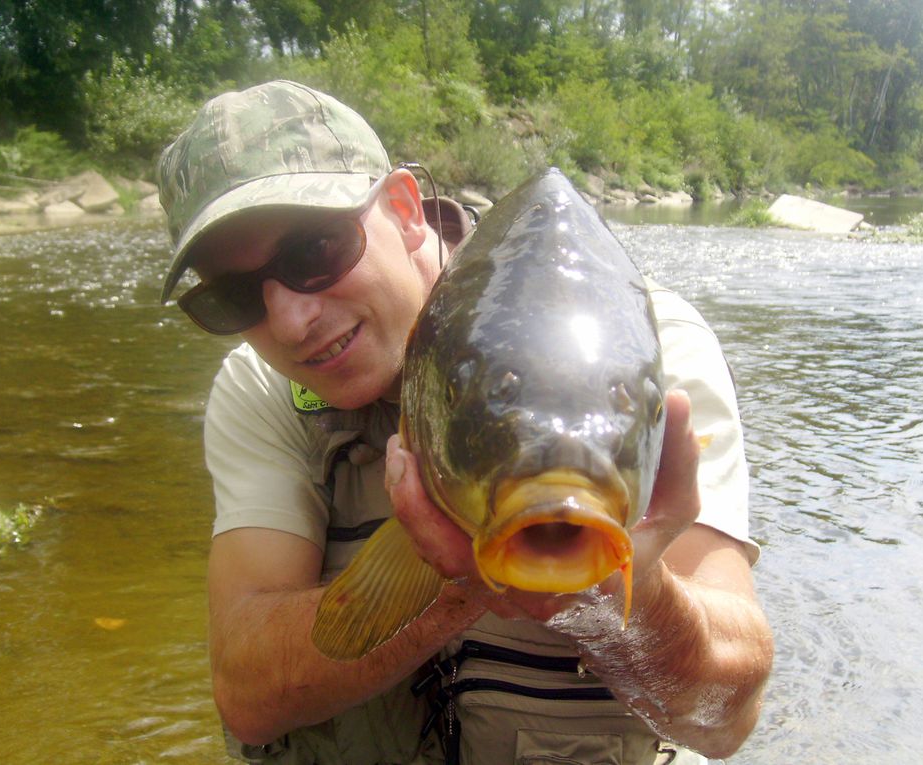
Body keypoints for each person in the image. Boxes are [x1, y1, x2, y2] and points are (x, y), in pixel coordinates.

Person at [156, 79, 774, 765]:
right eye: (234, 295)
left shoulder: (650, 351)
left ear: (402, 209)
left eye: (314, 252)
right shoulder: (261, 387)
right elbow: (246, 691)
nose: (291, 321)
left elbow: (726, 717)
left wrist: (615, 593)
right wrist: (454, 585)